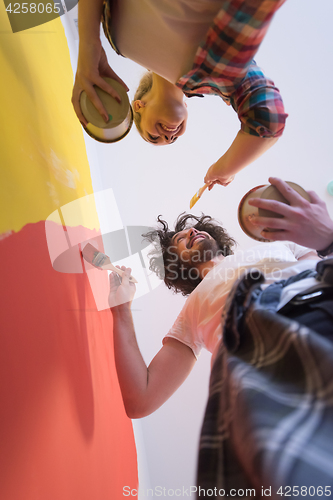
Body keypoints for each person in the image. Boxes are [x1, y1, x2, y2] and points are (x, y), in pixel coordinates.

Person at [109, 178, 333, 496]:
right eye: (182, 242)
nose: (190, 232)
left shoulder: (284, 247)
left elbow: (317, 275)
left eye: (191, 230)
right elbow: (140, 400)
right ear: (178, 267)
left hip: (314, 311)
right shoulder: (193, 310)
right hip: (256, 358)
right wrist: (121, 312)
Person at [72, 0, 288, 188]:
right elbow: (268, 119)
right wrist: (223, 169)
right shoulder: (219, 76)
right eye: (172, 140)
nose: (168, 136)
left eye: (154, 137)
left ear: (138, 105)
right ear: (187, 108)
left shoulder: (118, 39)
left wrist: (89, 44)